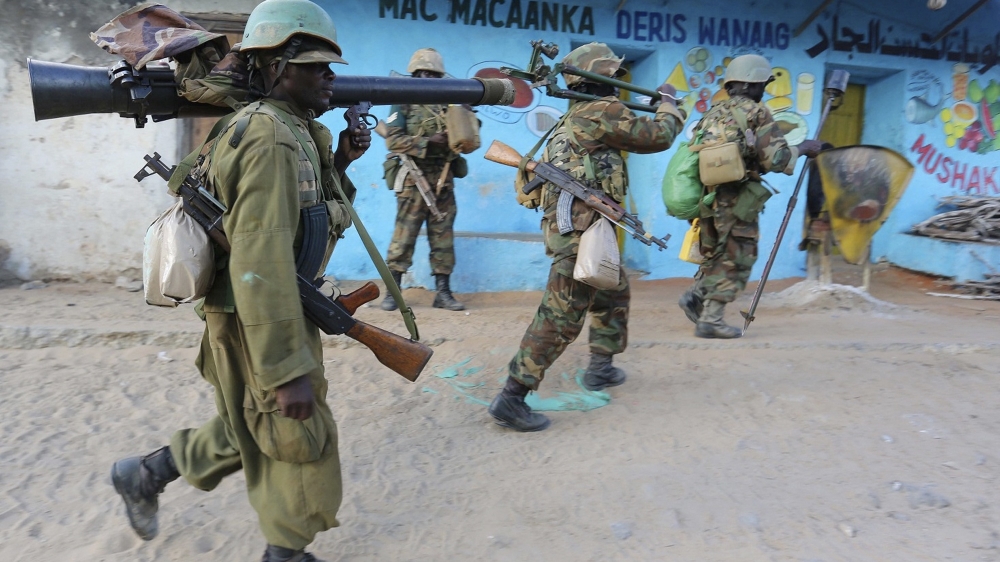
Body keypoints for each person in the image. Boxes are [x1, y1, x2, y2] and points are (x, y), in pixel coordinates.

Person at [110, 1, 371, 561]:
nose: (331, 75)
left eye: (332, 66)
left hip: (264, 306)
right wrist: (286, 368)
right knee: (297, 438)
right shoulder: (268, 136)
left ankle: (146, 473)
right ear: (277, 66)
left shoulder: (291, 129)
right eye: (318, 64)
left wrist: (342, 162)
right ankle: (287, 552)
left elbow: (296, 216)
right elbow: (260, 255)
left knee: (251, 422)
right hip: (264, 309)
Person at [487, 43, 686, 432]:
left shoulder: (571, 118)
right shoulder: (600, 111)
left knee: (613, 291)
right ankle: (513, 395)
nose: (617, 85)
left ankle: (601, 366)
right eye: (614, 77)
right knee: (561, 312)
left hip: (582, 226)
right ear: (604, 77)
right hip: (581, 231)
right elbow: (658, 135)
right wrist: (668, 104)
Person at [677, 54, 823, 339]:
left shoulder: (712, 113)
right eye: (763, 84)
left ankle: (696, 295)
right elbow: (777, 159)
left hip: (707, 198)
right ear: (753, 84)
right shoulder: (757, 113)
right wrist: (803, 147)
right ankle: (711, 319)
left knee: (715, 254)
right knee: (737, 257)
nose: (765, 89)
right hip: (737, 199)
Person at [378, 47, 466, 313]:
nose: (426, 76)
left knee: (443, 239)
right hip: (413, 179)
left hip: (442, 179)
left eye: (432, 73)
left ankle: (443, 293)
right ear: (414, 74)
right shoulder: (402, 101)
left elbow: (467, 140)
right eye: (421, 72)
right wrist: (428, 142)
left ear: (440, 77)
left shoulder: (450, 103)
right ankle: (393, 293)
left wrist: (465, 122)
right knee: (403, 238)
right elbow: (393, 139)